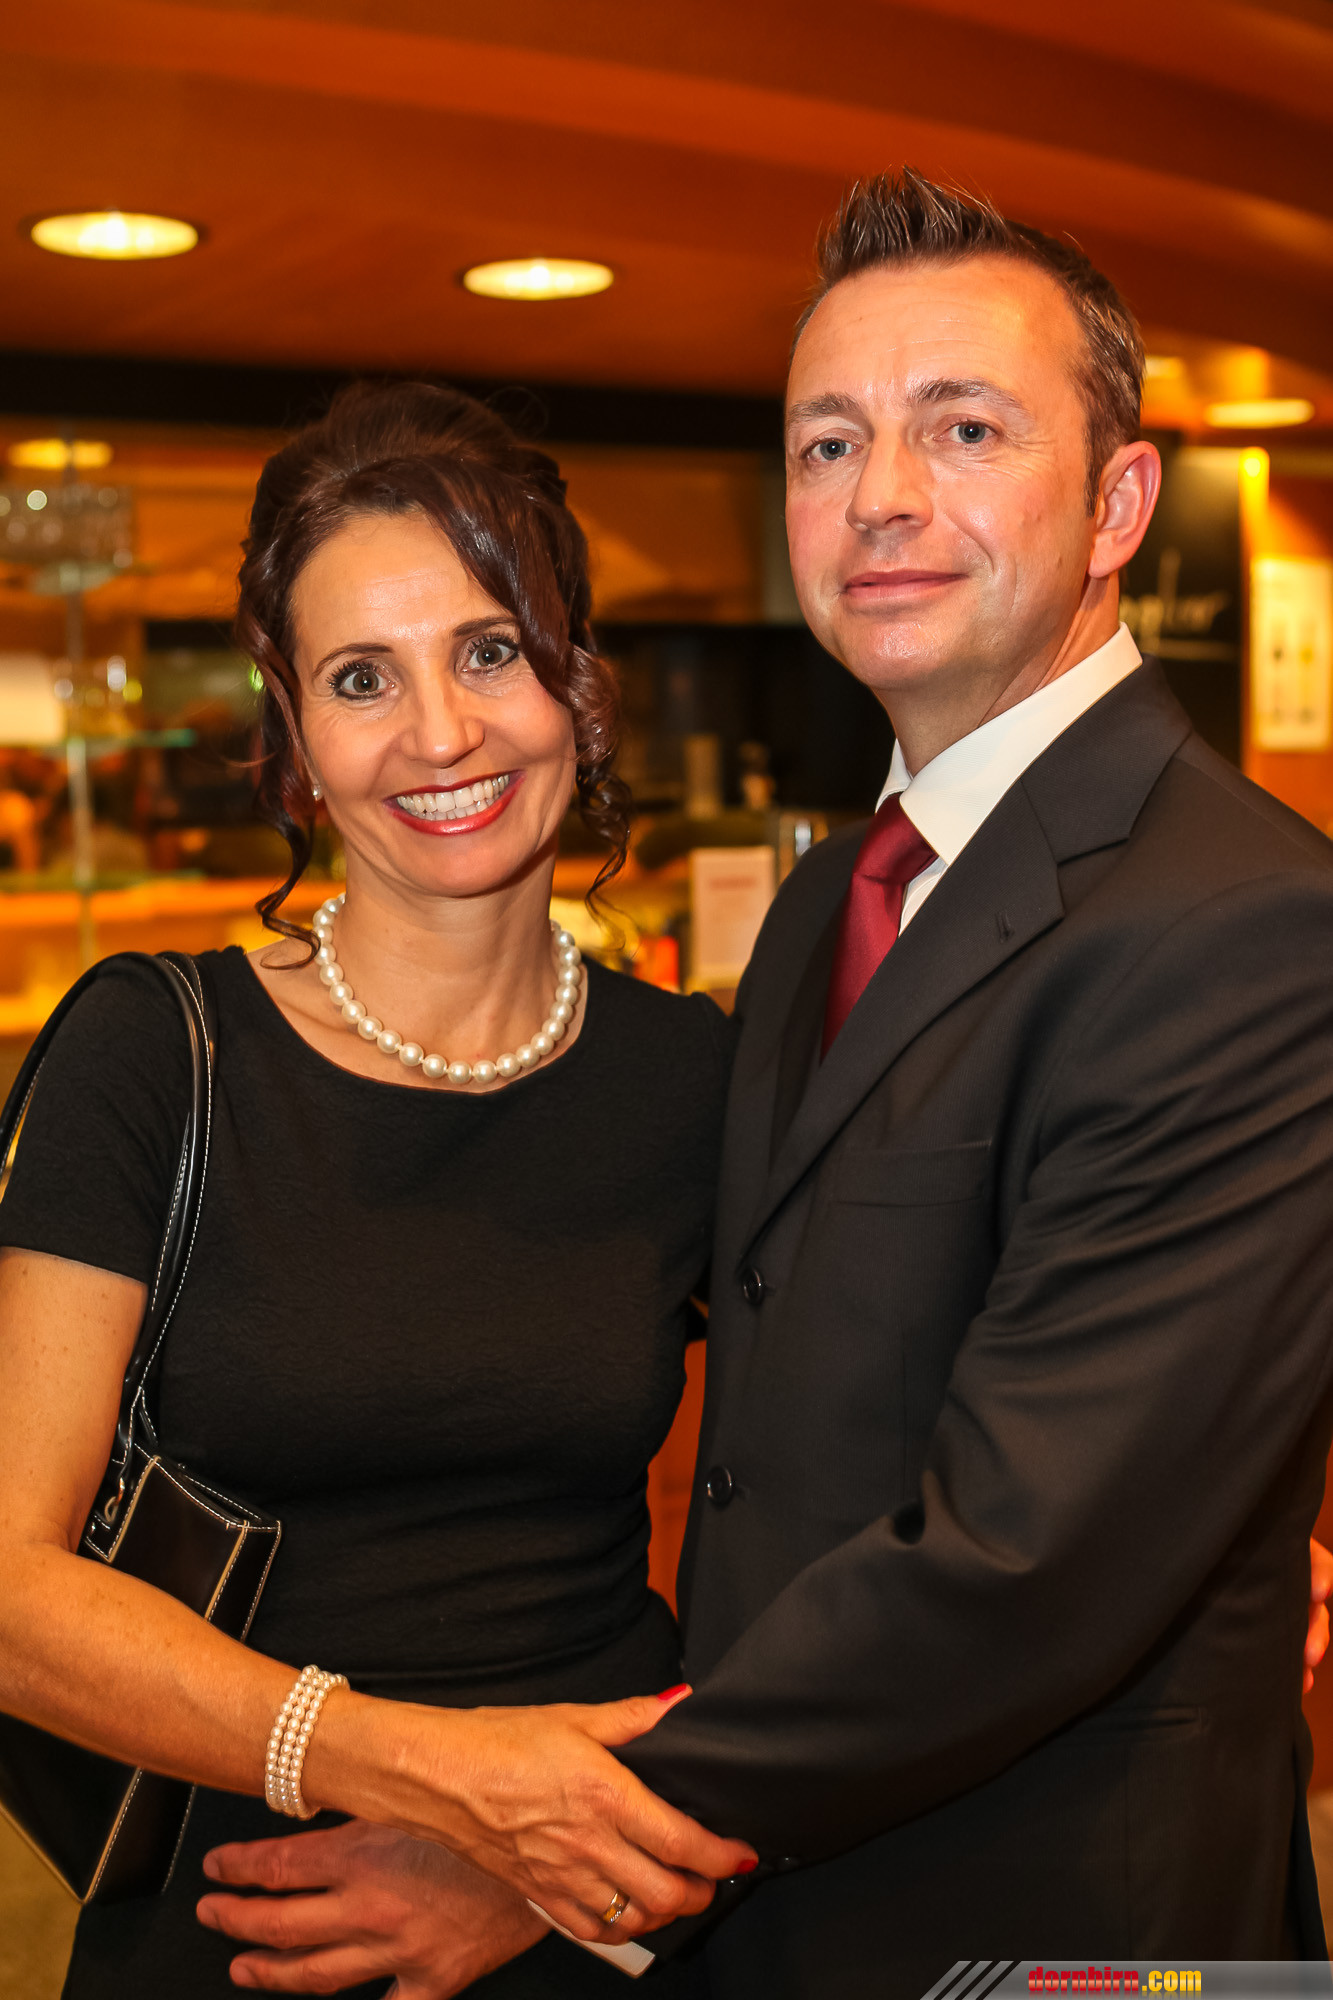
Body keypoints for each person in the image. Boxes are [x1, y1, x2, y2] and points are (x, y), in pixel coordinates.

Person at [199, 172, 1333, 1995]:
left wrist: (569, 1856)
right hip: (795, 1907)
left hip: (1060, 1918)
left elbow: (1027, 1557)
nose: (880, 494)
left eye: (964, 429)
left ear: (1119, 502)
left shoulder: (1245, 924)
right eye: (826, 443)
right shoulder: (836, 896)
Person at [0, 381, 757, 2000]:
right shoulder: (153, 1055)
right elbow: (7, 1587)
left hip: (602, 1893)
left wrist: (536, 1873)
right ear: (294, 734)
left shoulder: (698, 1079)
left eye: (489, 651)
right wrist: (428, 1781)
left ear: (579, 684)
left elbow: (858, 1499)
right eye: (362, 677)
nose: (440, 734)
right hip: (254, 1908)